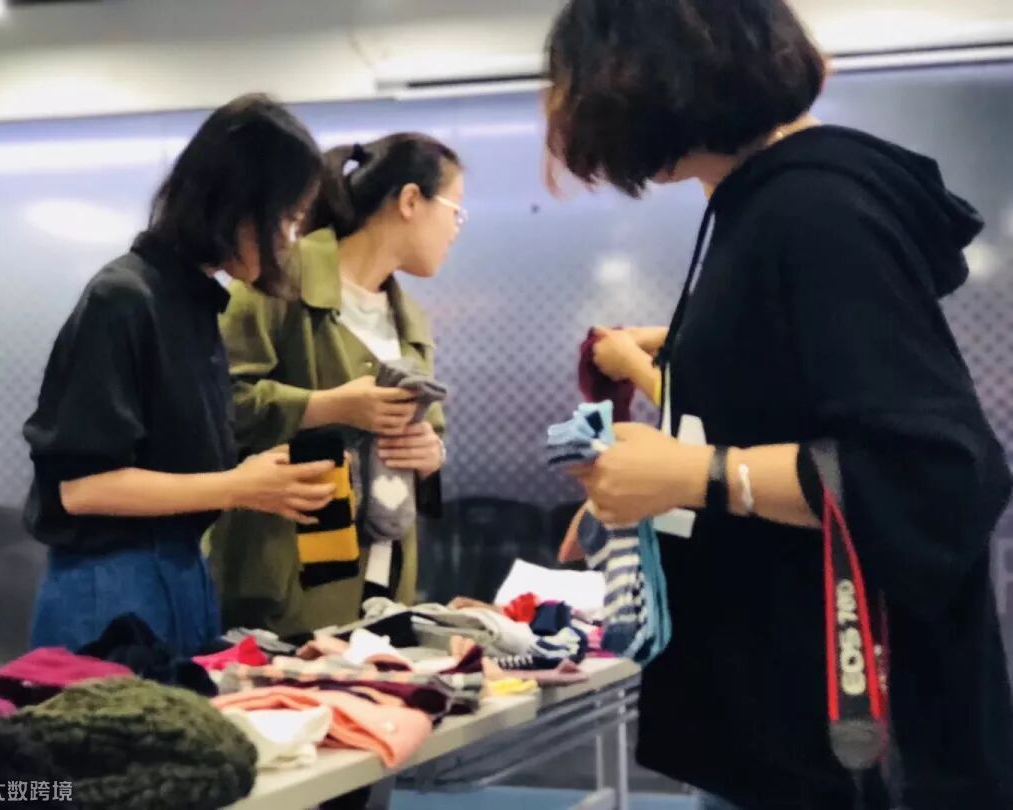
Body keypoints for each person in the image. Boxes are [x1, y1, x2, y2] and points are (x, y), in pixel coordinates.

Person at [544, 2, 1013, 809]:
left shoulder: (814, 213)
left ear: (658, 83)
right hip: (775, 715)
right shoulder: (764, 203)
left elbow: (936, 475)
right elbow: (798, 414)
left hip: (841, 737)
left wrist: (697, 475)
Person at [23, 94, 338, 657]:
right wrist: (239, 486)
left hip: (181, 574)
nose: (291, 240)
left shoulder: (193, 302)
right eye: (289, 218)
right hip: (110, 590)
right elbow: (83, 488)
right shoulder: (124, 297)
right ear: (239, 203)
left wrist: (258, 478)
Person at [207, 132, 464, 638]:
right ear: (411, 200)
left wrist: (431, 453)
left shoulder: (409, 317)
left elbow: (430, 432)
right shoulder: (276, 282)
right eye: (456, 211)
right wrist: (329, 406)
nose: (456, 230)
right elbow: (217, 405)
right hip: (285, 585)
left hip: (386, 578)